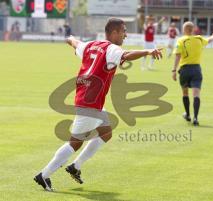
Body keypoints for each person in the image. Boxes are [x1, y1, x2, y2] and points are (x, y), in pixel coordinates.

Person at [34, 18, 163, 191]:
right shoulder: (113, 49)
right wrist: (147, 51)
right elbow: (127, 55)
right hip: (90, 103)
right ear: (114, 32)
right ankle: (44, 175)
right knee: (75, 142)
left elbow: (75, 43)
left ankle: (76, 166)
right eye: (124, 31)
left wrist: (69, 38)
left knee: (106, 132)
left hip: (86, 98)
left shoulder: (91, 45)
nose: (125, 35)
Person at [172, 21, 213, 126]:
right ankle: (196, 118)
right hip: (196, 69)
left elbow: (178, 56)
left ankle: (188, 114)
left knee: (185, 92)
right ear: (193, 30)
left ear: (184, 30)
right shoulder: (199, 39)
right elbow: (209, 40)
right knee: (196, 94)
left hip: (184, 70)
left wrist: (174, 70)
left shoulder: (181, 40)